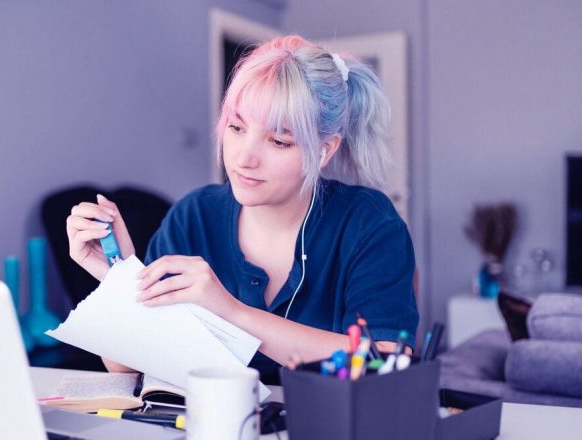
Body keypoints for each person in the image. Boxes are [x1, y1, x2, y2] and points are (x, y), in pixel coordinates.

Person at [65, 35, 418, 382]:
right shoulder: (194, 216)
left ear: (324, 150)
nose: (244, 158)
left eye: (279, 141)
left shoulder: (369, 224)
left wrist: (231, 312)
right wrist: (120, 278)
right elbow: (126, 369)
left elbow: (384, 366)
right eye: (236, 127)